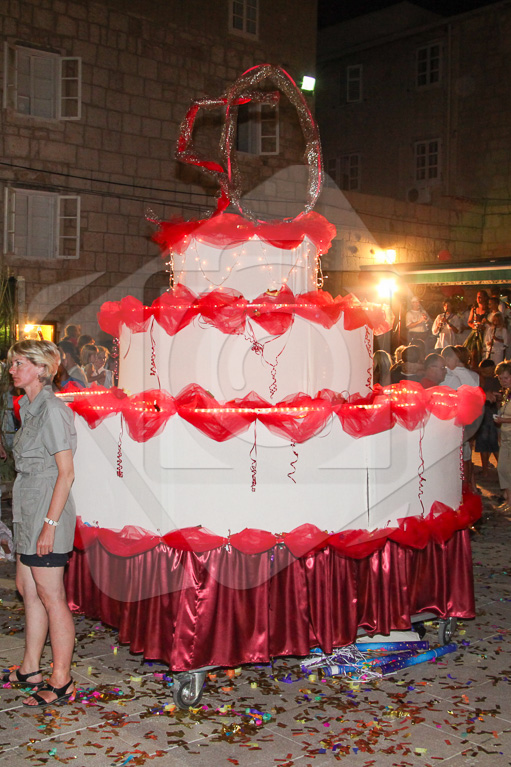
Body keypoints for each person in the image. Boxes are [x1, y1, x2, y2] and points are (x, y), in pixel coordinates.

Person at [3, 340, 76, 707]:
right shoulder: (29, 408)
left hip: (47, 511)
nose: (12, 369)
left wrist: (50, 524)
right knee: (27, 588)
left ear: (42, 369)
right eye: (11, 363)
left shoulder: (52, 410)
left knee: (51, 595)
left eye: (19, 363)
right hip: (27, 508)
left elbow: (66, 473)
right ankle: (30, 668)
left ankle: (62, 679)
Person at [475, 359, 500, 477]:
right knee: (492, 444)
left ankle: (485, 470)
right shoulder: (496, 381)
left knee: (485, 444)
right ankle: (498, 471)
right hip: (491, 414)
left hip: (485, 415)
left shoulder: (480, 380)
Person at [494, 360, 511, 509]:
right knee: (503, 468)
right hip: (506, 437)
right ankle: (508, 499)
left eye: (506, 378)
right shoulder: (507, 393)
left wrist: (503, 420)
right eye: (500, 378)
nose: (503, 381)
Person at [465, 290, 490, 366]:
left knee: (482, 351)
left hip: (484, 333)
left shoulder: (488, 310)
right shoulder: (474, 309)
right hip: (475, 332)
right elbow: (469, 321)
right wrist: (474, 326)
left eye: (480, 297)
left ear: (485, 298)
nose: (478, 299)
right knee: (472, 350)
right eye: (477, 297)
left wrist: (483, 326)